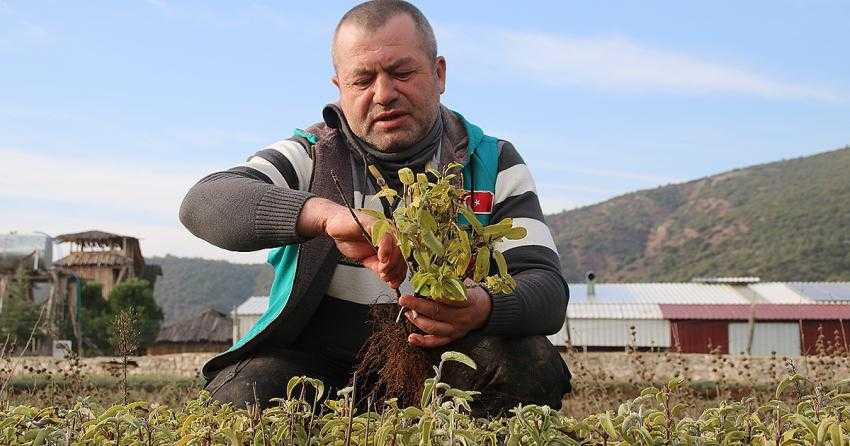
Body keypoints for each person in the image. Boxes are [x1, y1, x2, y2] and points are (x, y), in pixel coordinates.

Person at [179, 0, 570, 416]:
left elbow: (545, 289)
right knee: (245, 396)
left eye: (402, 73)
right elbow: (205, 202)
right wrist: (325, 216)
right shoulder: (311, 156)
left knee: (528, 363)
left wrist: (484, 307)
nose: (384, 94)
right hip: (316, 367)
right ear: (339, 88)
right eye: (362, 80)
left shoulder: (492, 163)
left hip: (443, 370)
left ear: (439, 74)